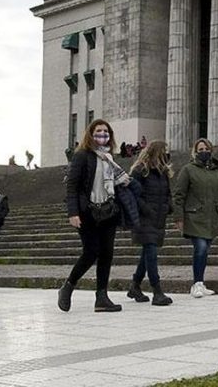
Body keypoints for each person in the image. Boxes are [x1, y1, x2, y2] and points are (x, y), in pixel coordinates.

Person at [59, 119, 134, 313]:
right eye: (99, 131)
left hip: (108, 210)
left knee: (107, 253)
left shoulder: (109, 157)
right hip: (88, 211)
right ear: (91, 134)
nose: (103, 134)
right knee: (91, 252)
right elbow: (72, 186)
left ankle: (101, 297)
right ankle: (68, 286)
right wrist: (73, 212)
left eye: (106, 131)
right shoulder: (82, 155)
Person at [173, 138, 218, 299]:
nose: (204, 152)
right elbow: (179, 195)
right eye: (200, 149)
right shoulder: (188, 170)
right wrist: (179, 218)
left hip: (211, 217)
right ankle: (197, 284)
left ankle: (200, 282)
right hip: (194, 217)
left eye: (206, 149)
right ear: (195, 152)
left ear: (211, 150)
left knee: (204, 250)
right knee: (200, 248)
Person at [127, 140, 174, 306]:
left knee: (147, 253)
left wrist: (169, 206)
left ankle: (135, 286)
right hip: (144, 218)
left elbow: (168, 193)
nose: (167, 155)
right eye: (164, 151)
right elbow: (133, 193)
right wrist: (146, 209)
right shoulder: (140, 170)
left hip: (159, 217)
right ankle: (157, 290)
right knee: (151, 252)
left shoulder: (163, 172)